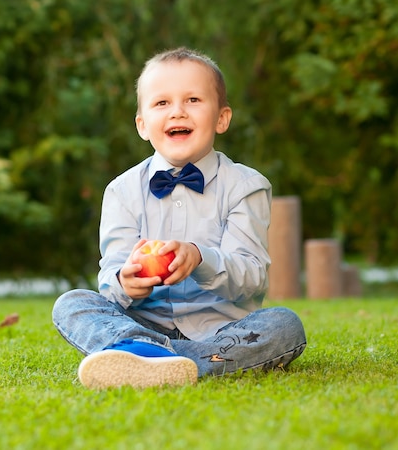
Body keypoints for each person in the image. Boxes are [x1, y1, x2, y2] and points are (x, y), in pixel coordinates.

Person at [52, 47, 306, 389]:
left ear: (222, 118)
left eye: (193, 100)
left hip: (219, 331)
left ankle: (161, 360)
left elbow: (252, 276)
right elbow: (110, 278)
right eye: (162, 103)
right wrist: (126, 281)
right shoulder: (122, 191)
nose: (177, 112)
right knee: (72, 303)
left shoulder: (247, 186)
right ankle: (146, 349)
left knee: (284, 324)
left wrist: (200, 258)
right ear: (142, 125)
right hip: (143, 323)